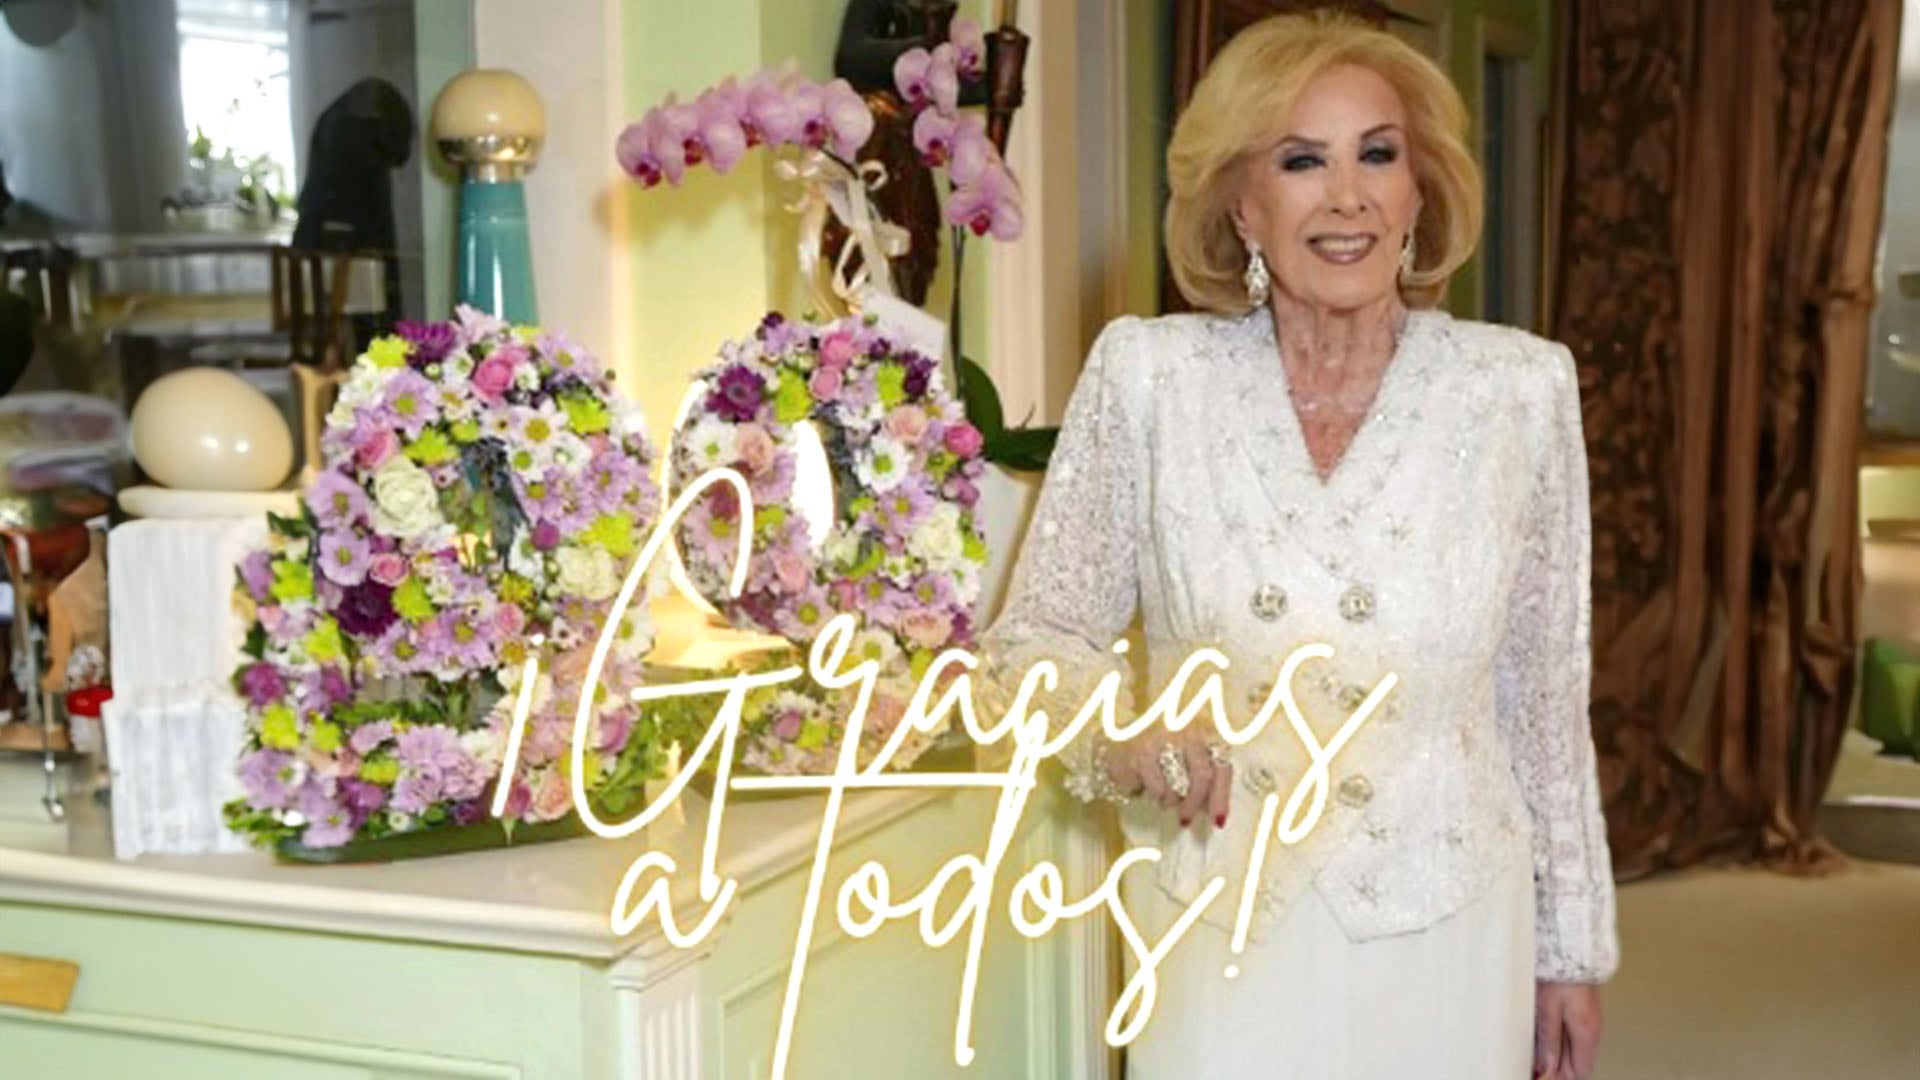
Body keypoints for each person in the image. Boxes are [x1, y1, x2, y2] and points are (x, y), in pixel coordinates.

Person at [979, 12, 1617, 1079]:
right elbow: (1030, 645)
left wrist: (1571, 952)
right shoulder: (1150, 379)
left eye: (1379, 153)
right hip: (1219, 915)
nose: (1348, 196)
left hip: (1447, 917)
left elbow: (1544, 697)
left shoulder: (1516, 390)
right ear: (1242, 203)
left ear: (1421, 190)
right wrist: (1121, 732)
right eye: (1301, 161)